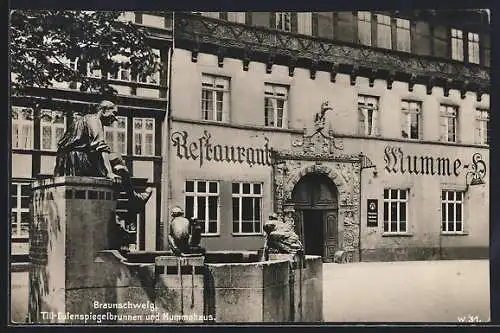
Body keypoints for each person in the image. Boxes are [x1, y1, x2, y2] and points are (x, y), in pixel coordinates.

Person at [54, 100, 152, 210]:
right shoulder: (94, 120)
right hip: (78, 160)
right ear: (104, 110)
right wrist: (109, 172)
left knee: (118, 165)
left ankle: (128, 202)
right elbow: (101, 147)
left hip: (69, 161)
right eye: (114, 113)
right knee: (118, 162)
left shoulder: (85, 119)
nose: (115, 118)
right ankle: (134, 199)